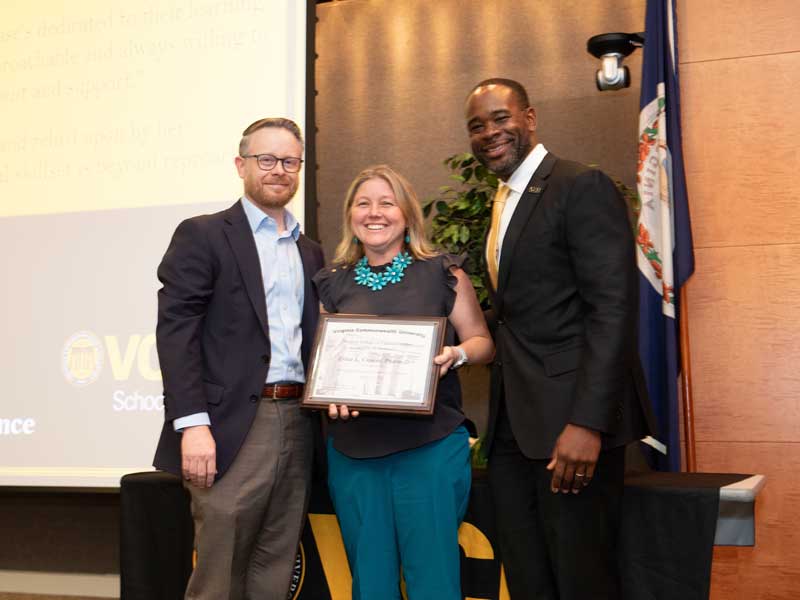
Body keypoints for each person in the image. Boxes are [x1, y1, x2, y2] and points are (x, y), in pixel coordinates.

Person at [464, 78, 656, 599]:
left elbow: (612, 310)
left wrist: (587, 424)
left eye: (500, 118)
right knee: (528, 578)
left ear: (530, 117)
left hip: (571, 429)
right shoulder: (503, 202)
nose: (489, 133)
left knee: (581, 579)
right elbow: (519, 315)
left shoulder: (579, 185)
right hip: (512, 427)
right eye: (477, 126)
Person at [152, 117, 324, 600]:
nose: (279, 170)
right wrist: (193, 424)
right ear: (240, 165)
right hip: (230, 427)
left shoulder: (310, 251)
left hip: (298, 419)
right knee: (219, 572)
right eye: (266, 159)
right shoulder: (204, 235)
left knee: (276, 562)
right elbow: (176, 332)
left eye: (290, 161)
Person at [313, 165, 494, 600]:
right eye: (363, 203)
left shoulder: (442, 273)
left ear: (408, 214)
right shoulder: (331, 283)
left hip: (429, 450)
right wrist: (329, 397)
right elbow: (325, 361)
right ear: (351, 217)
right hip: (355, 454)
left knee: (434, 582)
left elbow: (484, 342)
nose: (374, 213)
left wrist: (458, 354)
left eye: (386, 202)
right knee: (370, 585)